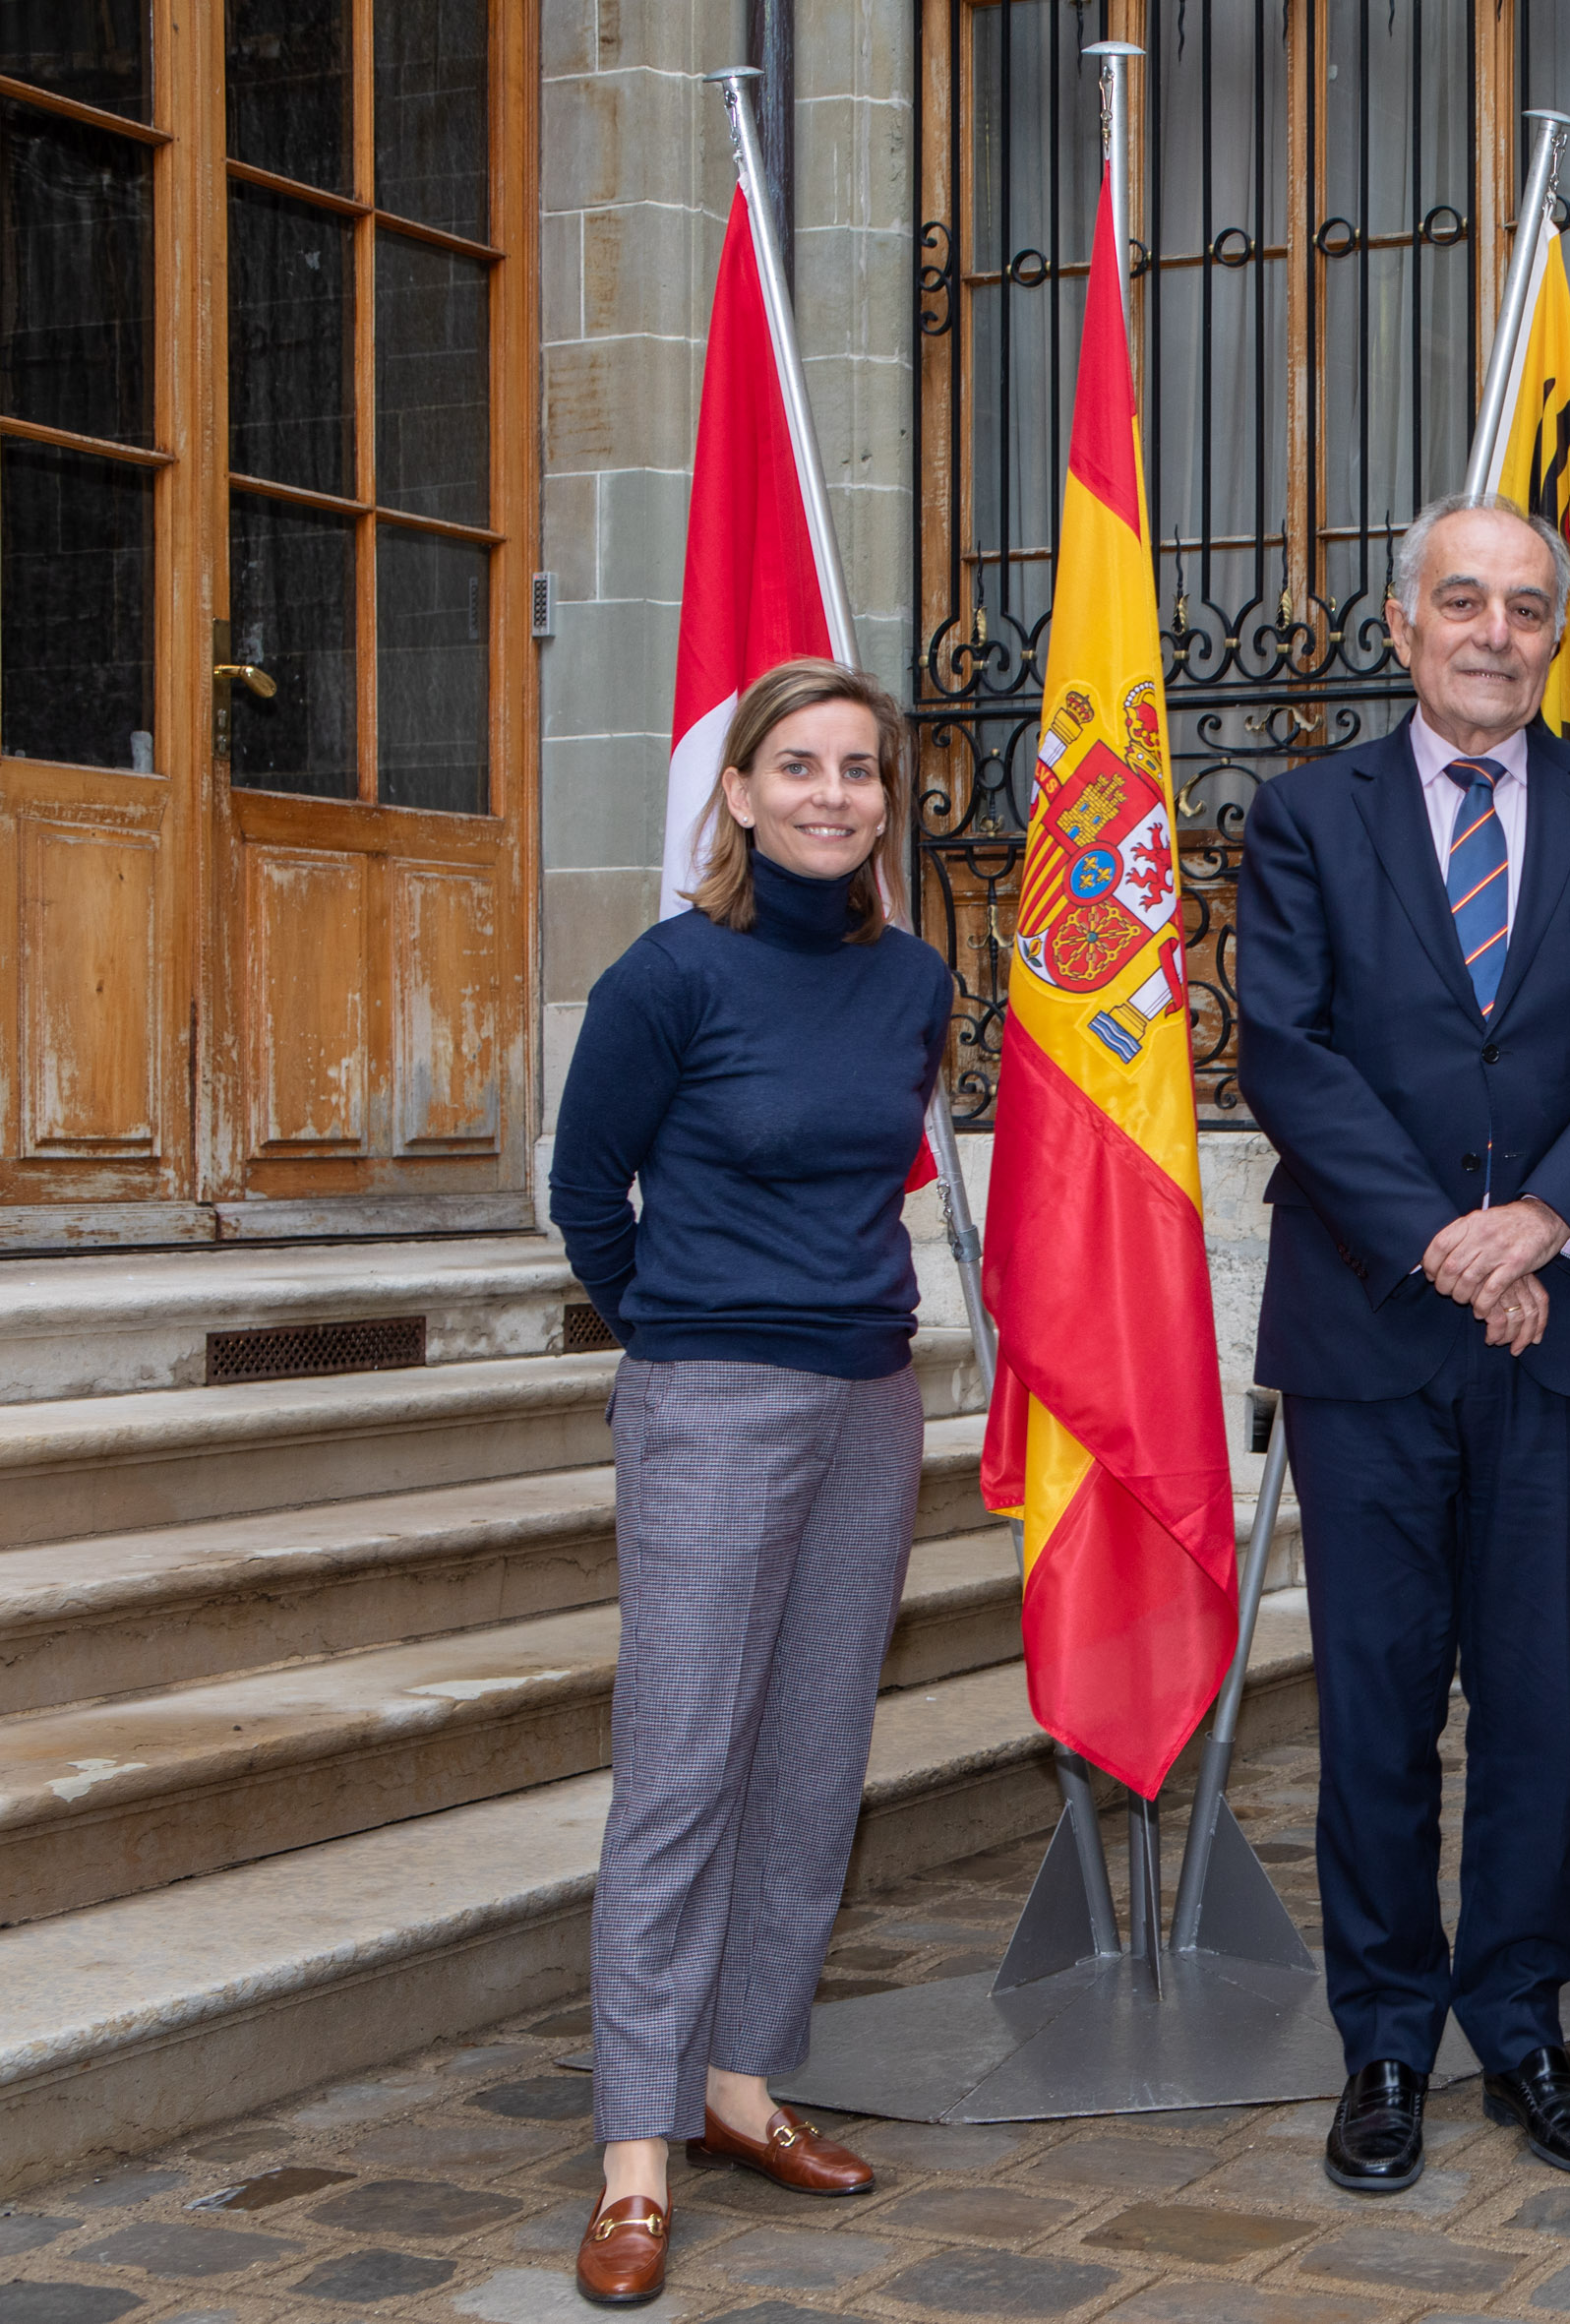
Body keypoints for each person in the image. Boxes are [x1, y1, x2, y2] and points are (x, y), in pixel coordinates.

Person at [1236, 493, 1570, 2195]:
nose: (1496, 631)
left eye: (1527, 605)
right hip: (1369, 1327)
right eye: (1463, 600)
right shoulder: (1303, 816)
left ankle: (1520, 2023)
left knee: (1530, 1701)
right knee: (1371, 1702)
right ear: (1402, 622)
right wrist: (1449, 1238)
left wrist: (1544, 1222)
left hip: (1562, 1325)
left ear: (1556, 632)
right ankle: (1383, 2036)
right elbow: (1286, 1052)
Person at [548, 657, 956, 2305]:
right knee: (681, 1767)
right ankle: (634, 2152)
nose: (833, 794)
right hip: (711, 1393)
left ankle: (738, 2086)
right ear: (738, 789)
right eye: (799, 764)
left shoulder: (913, 975)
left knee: (810, 1761)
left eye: (860, 768)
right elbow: (588, 1189)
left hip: (871, 1396)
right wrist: (680, 1331)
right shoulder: (669, 975)